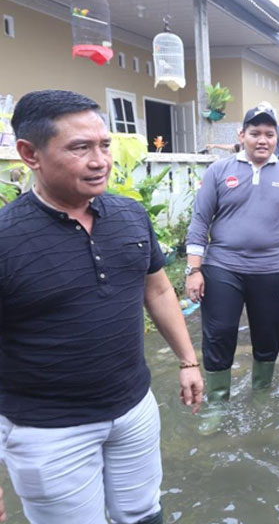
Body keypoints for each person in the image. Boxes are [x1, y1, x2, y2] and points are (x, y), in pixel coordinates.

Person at [0, 89, 203, 523]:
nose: (100, 161)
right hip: (48, 430)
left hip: (133, 409)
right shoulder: (6, 239)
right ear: (29, 154)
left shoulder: (130, 215)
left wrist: (187, 361)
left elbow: (159, 290)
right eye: (80, 148)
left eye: (104, 145)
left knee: (144, 513)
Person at [185, 104, 279, 401]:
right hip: (222, 266)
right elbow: (199, 221)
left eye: (269, 134)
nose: (262, 140)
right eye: (255, 133)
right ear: (241, 135)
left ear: (276, 139)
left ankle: (261, 395)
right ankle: (217, 400)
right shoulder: (220, 170)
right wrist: (194, 270)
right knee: (219, 332)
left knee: (268, 334)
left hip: (272, 269)